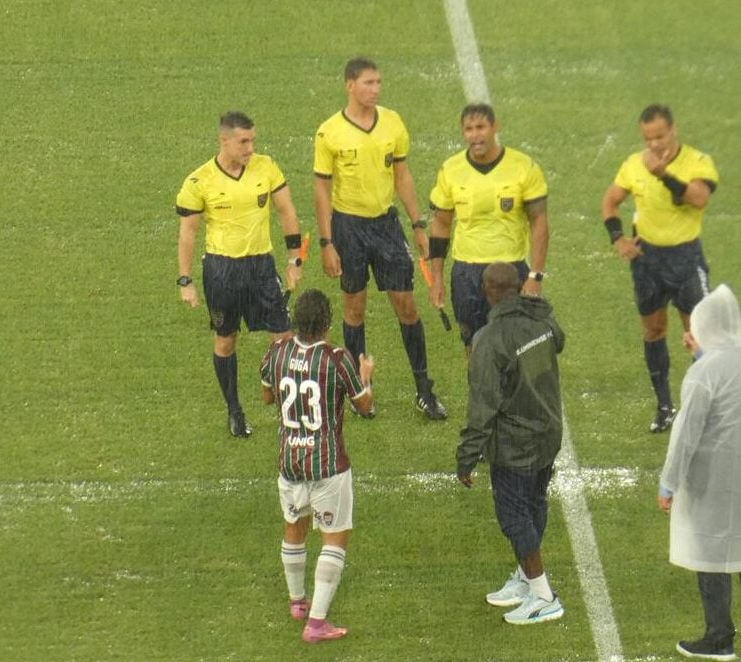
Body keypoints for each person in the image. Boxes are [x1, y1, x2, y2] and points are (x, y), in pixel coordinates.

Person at [657, 284, 741, 661]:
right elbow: (733, 380)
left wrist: (669, 483)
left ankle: (719, 638)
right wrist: (703, 354)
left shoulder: (704, 373)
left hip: (714, 479)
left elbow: (686, 433)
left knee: (712, 552)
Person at [313, 56, 446, 419]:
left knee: (406, 305)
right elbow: (322, 191)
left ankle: (424, 389)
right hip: (348, 227)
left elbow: (402, 175)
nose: (376, 89)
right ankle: (361, 390)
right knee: (354, 308)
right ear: (350, 85)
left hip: (386, 225)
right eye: (369, 83)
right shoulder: (329, 132)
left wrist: (418, 224)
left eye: (379, 83)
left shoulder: (393, 123)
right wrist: (327, 243)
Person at [176, 111, 304, 438]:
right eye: (243, 141)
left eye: (253, 141)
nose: (250, 148)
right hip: (222, 272)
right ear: (225, 140)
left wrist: (294, 260)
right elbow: (188, 233)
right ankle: (234, 410)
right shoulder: (199, 181)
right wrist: (186, 280)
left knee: (284, 339)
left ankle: (290, 411)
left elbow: (287, 210)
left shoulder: (266, 167)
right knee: (225, 341)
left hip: (261, 266)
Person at [260, 288, 375, 644]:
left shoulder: (277, 353)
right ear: (326, 323)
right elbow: (365, 407)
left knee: (294, 526)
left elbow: (267, 396)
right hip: (328, 466)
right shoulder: (337, 359)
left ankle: (297, 602)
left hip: (290, 461)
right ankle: (316, 622)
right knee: (335, 538)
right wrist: (367, 375)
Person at [456, 262, 566, 625]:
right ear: (519, 287)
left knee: (514, 515)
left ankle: (543, 595)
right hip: (548, 432)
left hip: (517, 444)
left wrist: (468, 454)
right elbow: (559, 341)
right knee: (535, 502)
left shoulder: (489, 340)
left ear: (487, 291)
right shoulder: (543, 318)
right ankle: (525, 577)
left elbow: (483, 403)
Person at [601, 104, 720, 434]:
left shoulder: (697, 162)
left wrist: (664, 175)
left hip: (686, 259)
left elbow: (697, 199)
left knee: (700, 334)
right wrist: (618, 239)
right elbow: (610, 201)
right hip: (648, 261)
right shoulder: (633, 165)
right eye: (647, 138)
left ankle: (711, 407)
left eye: (659, 136)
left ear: (674, 130)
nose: (653, 144)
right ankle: (665, 405)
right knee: (654, 332)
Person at [426, 103, 550, 352]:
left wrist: (535, 275)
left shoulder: (523, 167)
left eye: (481, 127)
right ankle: (480, 391)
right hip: (467, 273)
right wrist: (437, 276)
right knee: (473, 345)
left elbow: (539, 221)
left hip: (510, 271)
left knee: (516, 347)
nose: (475, 135)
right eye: (469, 129)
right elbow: (441, 224)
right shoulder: (451, 170)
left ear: (495, 127)